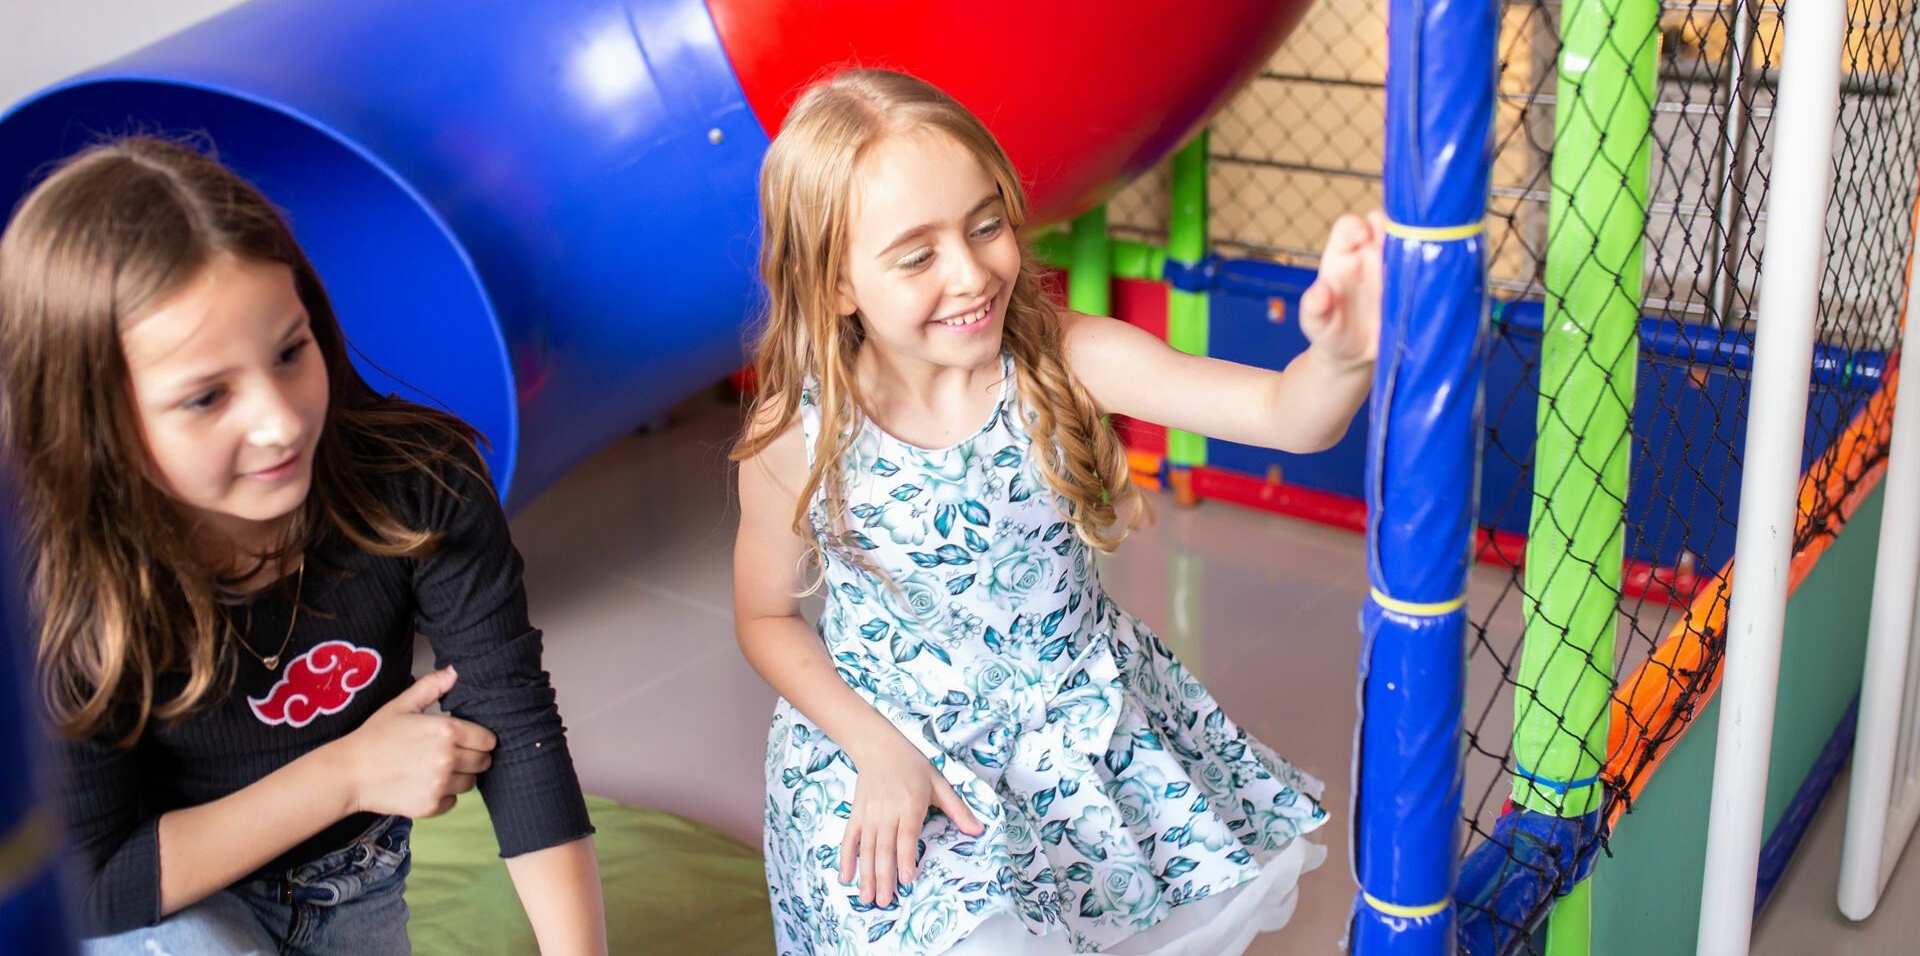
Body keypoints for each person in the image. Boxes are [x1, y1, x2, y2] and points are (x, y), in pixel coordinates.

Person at [732, 69, 1383, 955]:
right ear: (835, 283)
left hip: (1076, 745)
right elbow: (766, 614)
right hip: (890, 748)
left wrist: (1342, 356)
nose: (971, 274)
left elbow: (1286, 417)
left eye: (986, 224)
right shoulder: (796, 431)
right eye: (917, 255)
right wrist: (877, 750)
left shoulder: (1071, 359)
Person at [0, 137, 608, 955]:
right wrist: (346, 774)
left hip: (355, 884)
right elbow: (95, 886)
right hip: (166, 917)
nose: (280, 420)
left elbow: (516, 724)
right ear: (95, 423)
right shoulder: (52, 588)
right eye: (207, 396)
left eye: (291, 352)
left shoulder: (417, 481)